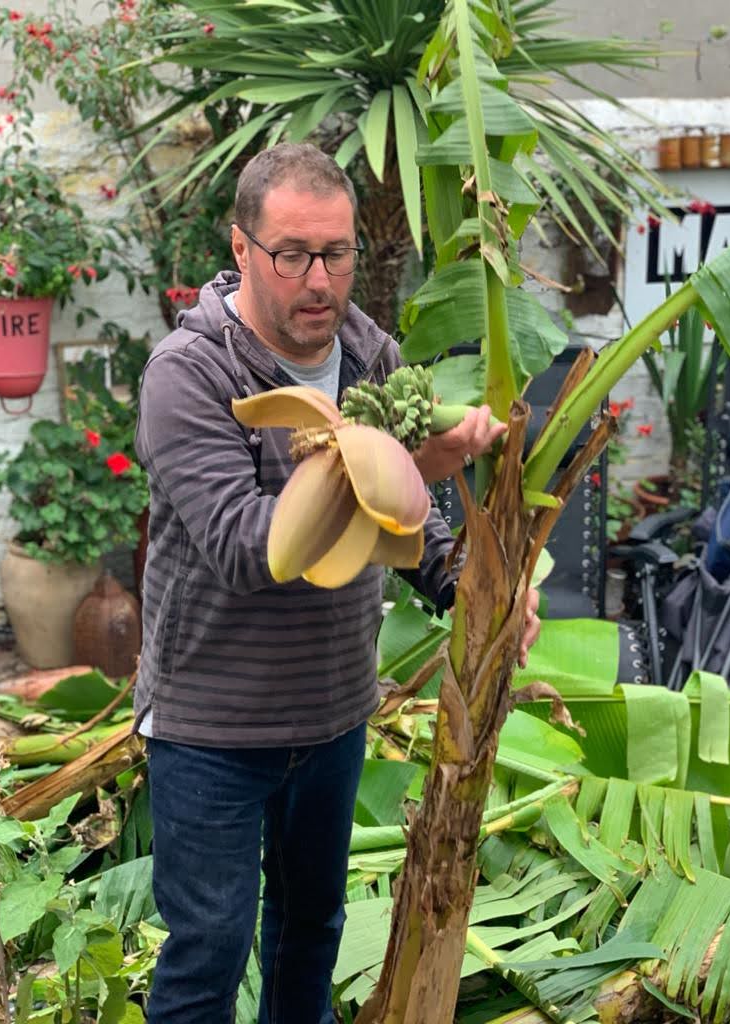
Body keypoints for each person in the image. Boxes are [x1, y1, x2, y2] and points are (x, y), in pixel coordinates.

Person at [134, 142, 540, 1024]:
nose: (318, 280)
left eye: (338, 253)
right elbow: (255, 551)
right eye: (292, 255)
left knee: (310, 934)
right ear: (242, 251)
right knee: (208, 953)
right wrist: (395, 461)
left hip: (331, 718)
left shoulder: (370, 353)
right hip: (213, 731)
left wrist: (473, 581)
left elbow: (414, 521)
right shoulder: (191, 374)